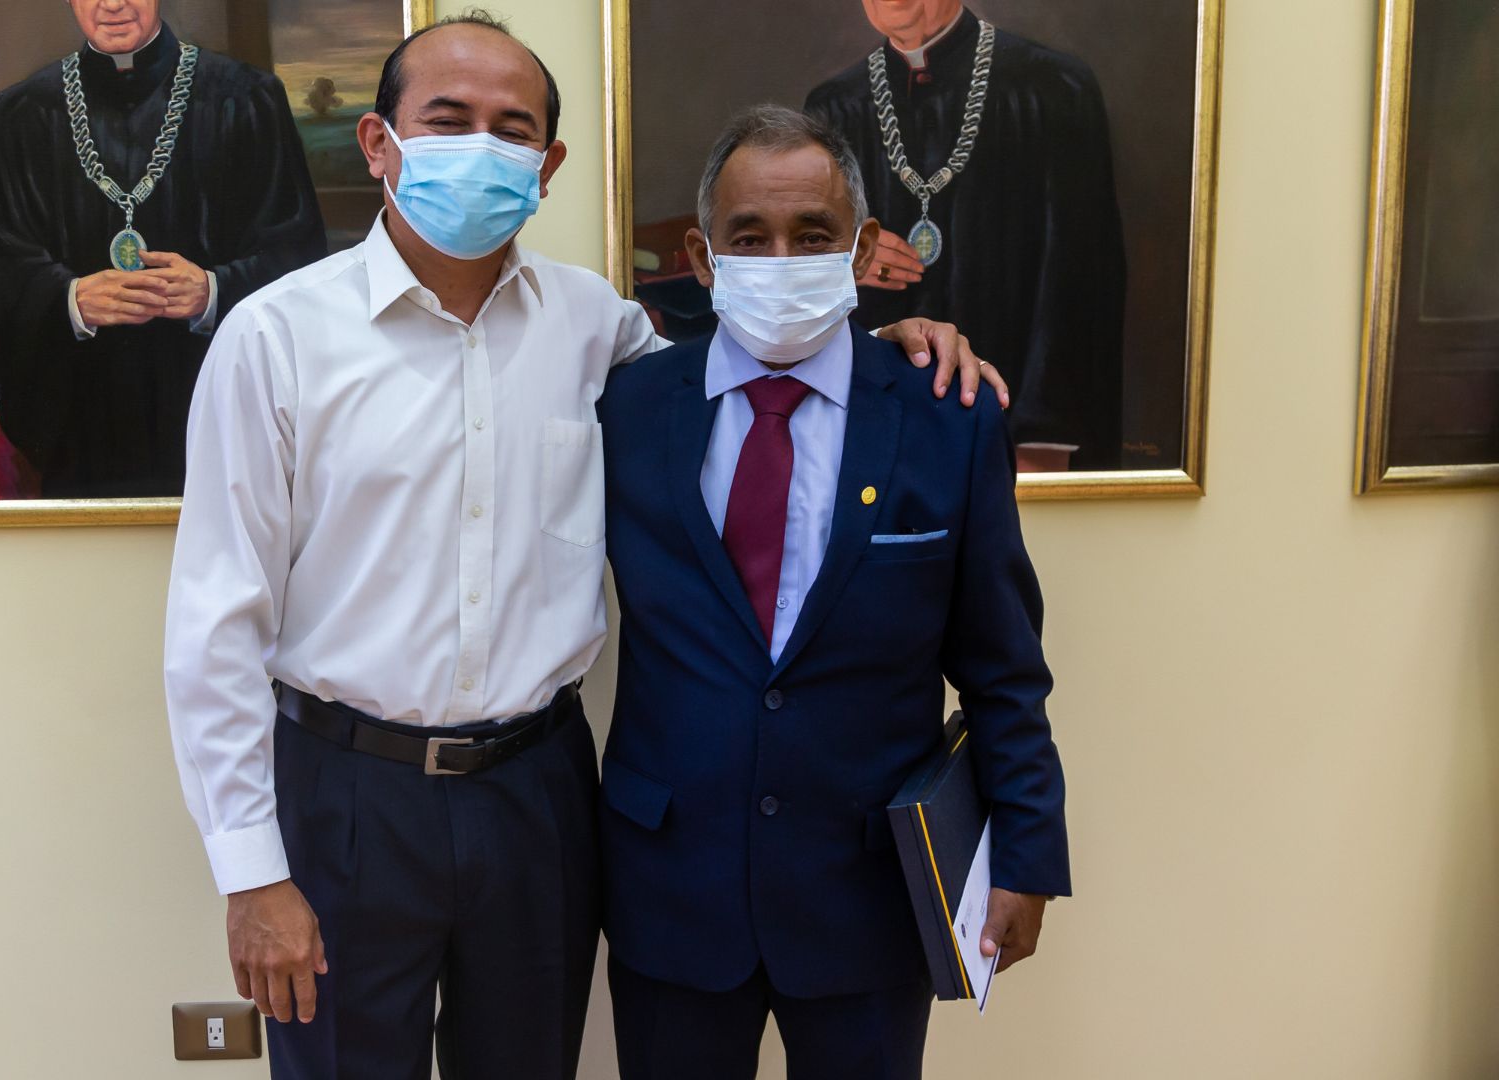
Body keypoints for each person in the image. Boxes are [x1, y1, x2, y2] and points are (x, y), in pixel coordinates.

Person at [163, 14, 1000, 1080]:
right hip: (349, 794)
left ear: (548, 166)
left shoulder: (597, 328)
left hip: (538, 794)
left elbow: (754, 371)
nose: (482, 147)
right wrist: (251, 874)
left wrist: (886, 348)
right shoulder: (276, 339)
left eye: (512, 129)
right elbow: (214, 625)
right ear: (380, 142)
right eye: (448, 120)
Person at [597, 106, 1069, 1079]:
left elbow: (1003, 665)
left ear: (861, 249)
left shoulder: (947, 418)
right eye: (749, 238)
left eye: (813, 235)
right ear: (702, 256)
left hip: (867, 896)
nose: (782, 259)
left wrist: (1026, 851)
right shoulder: (628, 409)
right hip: (671, 887)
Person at [0, 0, 326, 498]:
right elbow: (1, 265)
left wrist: (214, 290)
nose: (112, 3)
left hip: (216, 410)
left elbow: (298, 255)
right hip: (84, 422)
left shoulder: (246, 97)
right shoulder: (25, 111)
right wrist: (70, 300)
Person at [806, 0, 1126, 471]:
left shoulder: (1053, 87)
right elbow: (798, 273)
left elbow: (1081, 279)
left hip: (1015, 428)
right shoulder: (834, 106)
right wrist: (838, 261)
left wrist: (1044, 438)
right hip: (877, 432)